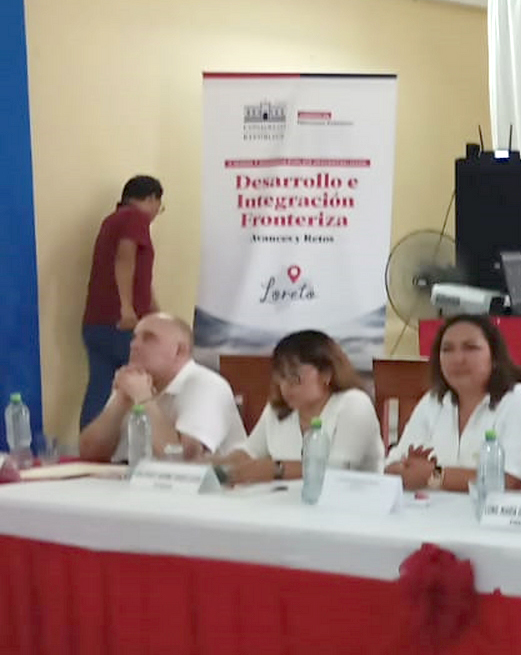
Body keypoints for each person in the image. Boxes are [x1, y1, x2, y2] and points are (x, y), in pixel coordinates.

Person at [385, 315, 521, 495]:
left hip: (508, 512)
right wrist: (409, 469)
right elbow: (391, 468)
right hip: (438, 510)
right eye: (447, 349)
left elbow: (511, 482)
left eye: (471, 348)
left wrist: (433, 475)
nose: (458, 359)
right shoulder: (433, 402)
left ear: (495, 357)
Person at [217, 330, 383, 485]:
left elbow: (339, 469)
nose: (285, 387)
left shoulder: (354, 403)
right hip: (285, 502)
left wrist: (276, 469)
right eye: (281, 377)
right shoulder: (279, 409)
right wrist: (213, 464)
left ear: (326, 374)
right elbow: (250, 452)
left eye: (294, 377)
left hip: (350, 503)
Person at [78, 313, 245, 463]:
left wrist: (144, 399)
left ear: (179, 351)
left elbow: (184, 460)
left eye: (148, 339)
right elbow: (89, 454)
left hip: (205, 487)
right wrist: (121, 400)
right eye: (134, 338)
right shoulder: (135, 382)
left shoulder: (207, 385)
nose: (134, 345)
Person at [80, 175, 163, 428]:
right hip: (122, 324)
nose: (157, 212)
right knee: (142, 385)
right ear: (151, 198)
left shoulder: (112, 220)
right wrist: (126, 309)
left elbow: (139, 278)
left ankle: (88, 444)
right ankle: (147, 442)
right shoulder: (135, 218)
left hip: (96, 322)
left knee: (100, 388)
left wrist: (158, 314)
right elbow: (124, 259)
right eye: (159, 206)